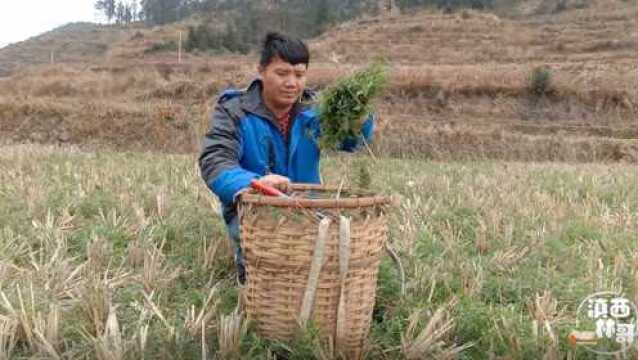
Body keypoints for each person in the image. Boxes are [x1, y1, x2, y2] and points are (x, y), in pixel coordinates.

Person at [199, 32, 375, 284]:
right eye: (282, 73)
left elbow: (350, 142)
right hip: (255, 209)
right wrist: (255, 184)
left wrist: (360, 121)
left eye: (299, 74)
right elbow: (215, 160)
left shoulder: (314, 110)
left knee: (322, 275)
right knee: (265, 277)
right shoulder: (234, 110)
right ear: (261, 70)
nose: (292, 83)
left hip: (308, 210)